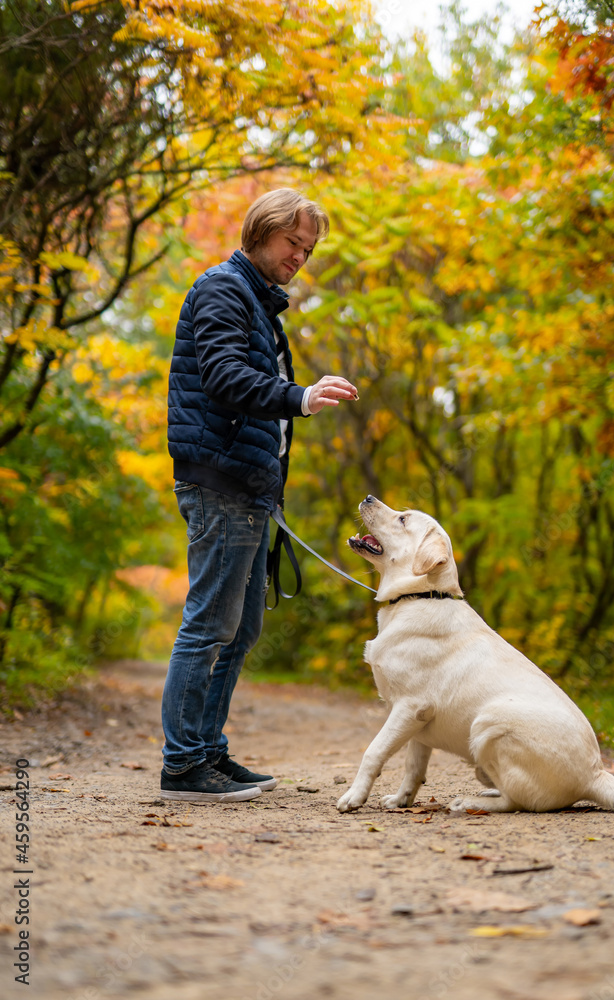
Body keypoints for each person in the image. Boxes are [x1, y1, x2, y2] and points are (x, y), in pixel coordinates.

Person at [160, 188, 358, 804]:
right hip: (218, 480)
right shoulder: (222, 289)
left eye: (307, 248)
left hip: (247, 487)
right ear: (261, 231)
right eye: (291, 242)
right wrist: (299, 395)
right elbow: (222, 377)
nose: (299, 256)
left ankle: (207, 750)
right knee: (209, 623)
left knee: (239, 628)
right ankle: (184, 763)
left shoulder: (257, 303)